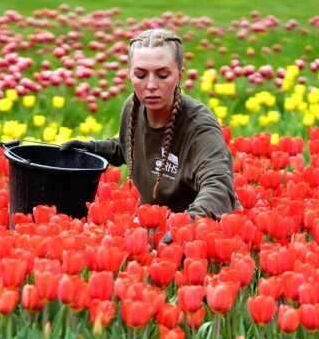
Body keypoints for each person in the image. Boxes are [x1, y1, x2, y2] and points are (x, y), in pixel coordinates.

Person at [61, 28, 241, 232]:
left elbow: (218, 185)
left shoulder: (199, 126)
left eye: (163, 75)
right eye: (141, 75)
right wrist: (93, 149)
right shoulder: (133, 108)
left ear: (179, 75)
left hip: (203, 232)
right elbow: (130, 146)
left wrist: (187, 225)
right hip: (153, 227)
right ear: (129, 75)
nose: (151, 85)